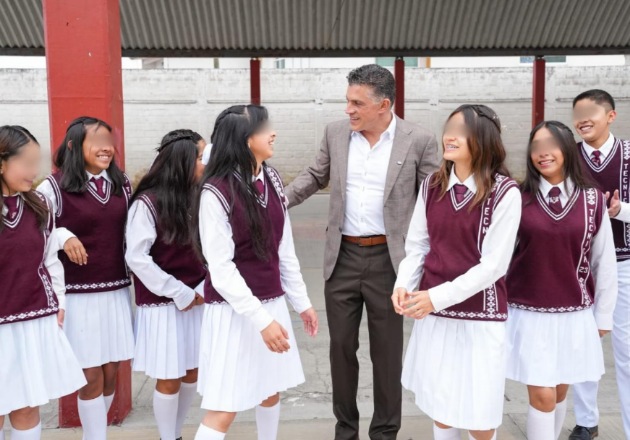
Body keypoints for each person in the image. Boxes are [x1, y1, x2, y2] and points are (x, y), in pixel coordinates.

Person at [285, 63, 438, 440]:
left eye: (357, 103)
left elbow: (434, 200)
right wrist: (275, 202)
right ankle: (346, 431)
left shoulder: (418, 140)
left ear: (383, 105)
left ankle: (385, 432)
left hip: (390, 262)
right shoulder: (336, 133)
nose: (348, 109)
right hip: (343, 258)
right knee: (340, 348)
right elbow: (314, 175)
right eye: (347, 101)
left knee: (387, 352)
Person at [392, 104, 521, 440]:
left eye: (460, 131)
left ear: (483, 138)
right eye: (448, 129)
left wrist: (436, 297)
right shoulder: (431, 186)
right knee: (442, 409)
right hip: (435, 315)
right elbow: (418, 246)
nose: (449, 137)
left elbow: (494, 265)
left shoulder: (505, 192)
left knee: (480, 418)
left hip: (481, 318)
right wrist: (403, 284)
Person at [192, 105, 318, 440]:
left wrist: (301, 302)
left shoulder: (272, 178)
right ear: (244, 139)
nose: (273, 133)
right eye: (265, 128)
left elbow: (284, 248)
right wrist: (262, 321)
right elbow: (221, 269)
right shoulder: (215, 191)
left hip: (271, 304)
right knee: (225, 406)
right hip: (234, 312)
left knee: (270, 390)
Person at [506, 121, 617, 440]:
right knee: (542, 394)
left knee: (557, 392)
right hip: (528, 312)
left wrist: (603, 315)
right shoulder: (517, 197)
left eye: (551, 145)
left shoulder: (592, 199)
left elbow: (604, 261)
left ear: (567, 149)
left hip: (575, 314)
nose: (543, 153)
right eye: (537, 146)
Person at [37, 116, 134, 440]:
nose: (106, 148)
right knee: (90, 376)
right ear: (73, 145)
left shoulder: (123, 185)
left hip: (116, 291)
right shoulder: (51, 188)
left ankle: (96, 433)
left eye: (109, 142)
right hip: (77, 296)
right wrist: (63, 235)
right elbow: (33, 234)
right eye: (97, 142)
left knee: (111, 374)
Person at [0, 125, 85, 440]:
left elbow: (49, 260)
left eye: (35, 163)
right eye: (26, 163)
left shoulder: (40, 204)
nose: (33, 171)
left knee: (27, 406)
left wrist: (59, 302)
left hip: (34, 316)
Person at [125, 129, 208, 440]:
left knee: (192, 372)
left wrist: (203, 287)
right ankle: (167, 436)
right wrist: (179, 292)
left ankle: (175, 433)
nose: (205, 163)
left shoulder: (200, 196)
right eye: (200, 157)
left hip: (197, 299)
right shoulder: (147, 203)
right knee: (170, 377)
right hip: (163, 303)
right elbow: (137, 258)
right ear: (182, 161)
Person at [571, 89, 630, 440]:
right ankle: (586, 421)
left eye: (591, 112)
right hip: (579, 269)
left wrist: (620, 210)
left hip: (624, 264)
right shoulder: (567, 156)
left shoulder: (629, 154)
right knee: (582, 346)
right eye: (578, 113)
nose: (583, 119)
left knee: (626, 350)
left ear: (610, 115)